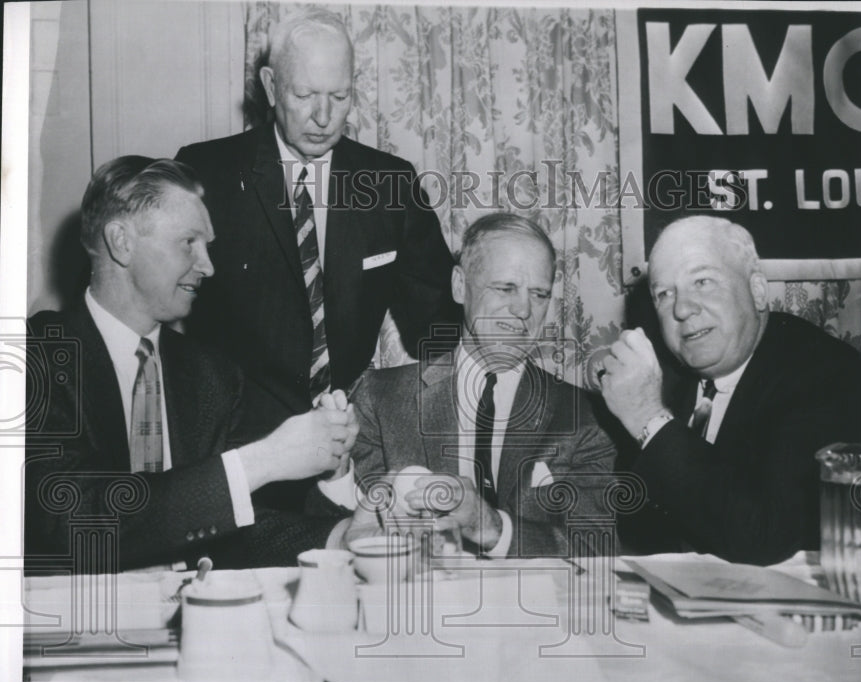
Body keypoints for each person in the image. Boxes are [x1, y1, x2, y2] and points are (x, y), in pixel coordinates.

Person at [24, 156, 357, 572]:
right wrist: (265, 459)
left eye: (208, 247)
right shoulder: (32, 355)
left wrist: (341, 536)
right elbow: (69, 518)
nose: (208, 266)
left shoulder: (212, 375)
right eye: (188, 243)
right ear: (121, 241)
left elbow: (234, 526)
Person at [174, 8, 458, 440]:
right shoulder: (206, 172)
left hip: (348, 435)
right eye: (305, 95)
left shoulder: (390, 182)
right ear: (271, 87)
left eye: (339, 97)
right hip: (232, 438)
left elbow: (437, 322)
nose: (324, 117)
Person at [325, 213, 620, 558]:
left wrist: (490, 526)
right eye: (505, 288)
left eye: (539, 294)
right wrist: (337, 474)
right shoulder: (379, 397)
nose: (523, 309)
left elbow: (598, 550)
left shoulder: (583, 415)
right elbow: (341, 538)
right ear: (460, 286)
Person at [599, 216, 861, 565]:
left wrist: (649, 418)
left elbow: (765, 538)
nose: (681, 309)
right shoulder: (662, 376)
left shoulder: (826, 374)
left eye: (703, 281)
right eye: (664, 294)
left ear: (757, 290)